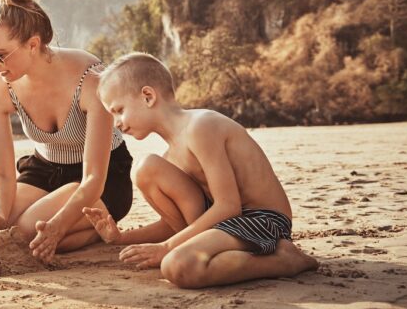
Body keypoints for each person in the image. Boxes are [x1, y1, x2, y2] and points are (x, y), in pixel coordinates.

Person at [82, 52, 318, 288]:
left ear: (147, 96)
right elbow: (173, 226)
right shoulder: (171, 156)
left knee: (177, 266)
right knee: (146, 169)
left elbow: (228, 205)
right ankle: (210, 250)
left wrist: (167, 248)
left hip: (263, 220)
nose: (117, 123)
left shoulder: (200, 127)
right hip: (225, 222)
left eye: (118, 110)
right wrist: (120, 238)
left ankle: (284, 260)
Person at [0, 0, 134, 262]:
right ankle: (83, 231)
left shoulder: (90, 81)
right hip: (45, 170)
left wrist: (57, 227)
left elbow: (93, 178)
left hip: (100, 180)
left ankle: (89, 227)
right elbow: (2, 175)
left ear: (33, 44)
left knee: (25, 233)